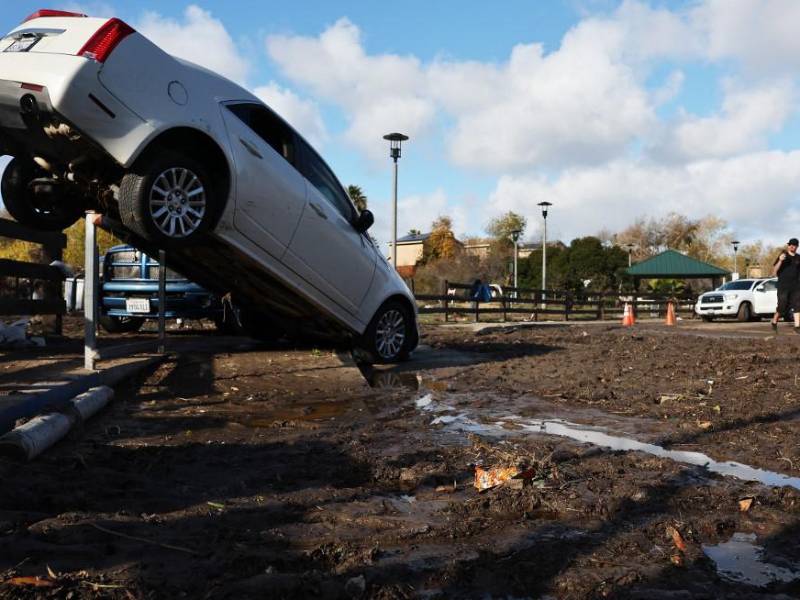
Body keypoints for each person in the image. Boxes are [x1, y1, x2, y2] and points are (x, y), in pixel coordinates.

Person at [770, 237, 800, 334]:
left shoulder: (799, 258)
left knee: (797, 305)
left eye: (793, 245)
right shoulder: (783, 256)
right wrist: (780, 260)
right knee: (782, 307)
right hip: (783, 286)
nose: (791, 246)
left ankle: (797, 326)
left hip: (796, 286)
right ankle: (774, 321)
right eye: (790, 245)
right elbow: (774, 272)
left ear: (797, 246)